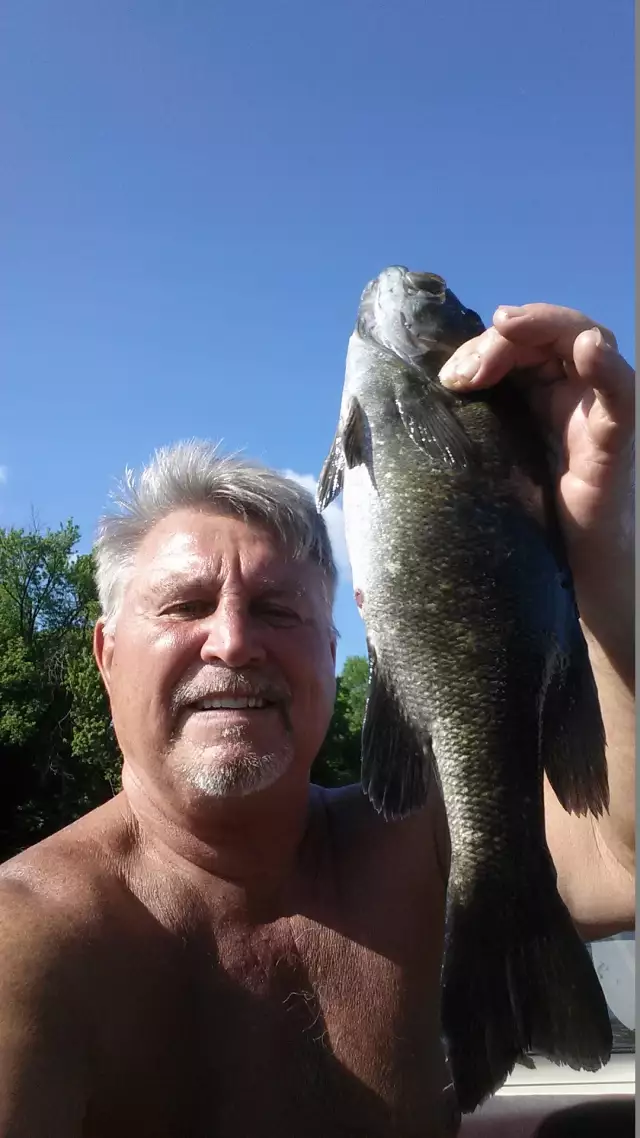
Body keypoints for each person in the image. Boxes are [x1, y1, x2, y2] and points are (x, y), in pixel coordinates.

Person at [0, 303, 634, 1138]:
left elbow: (622, 859)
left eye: (277, 611)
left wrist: (596, 549)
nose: (233, 642)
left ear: (338, 650)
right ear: (105, 654)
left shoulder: (415, 842)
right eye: (185, 606)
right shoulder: (29, 944)